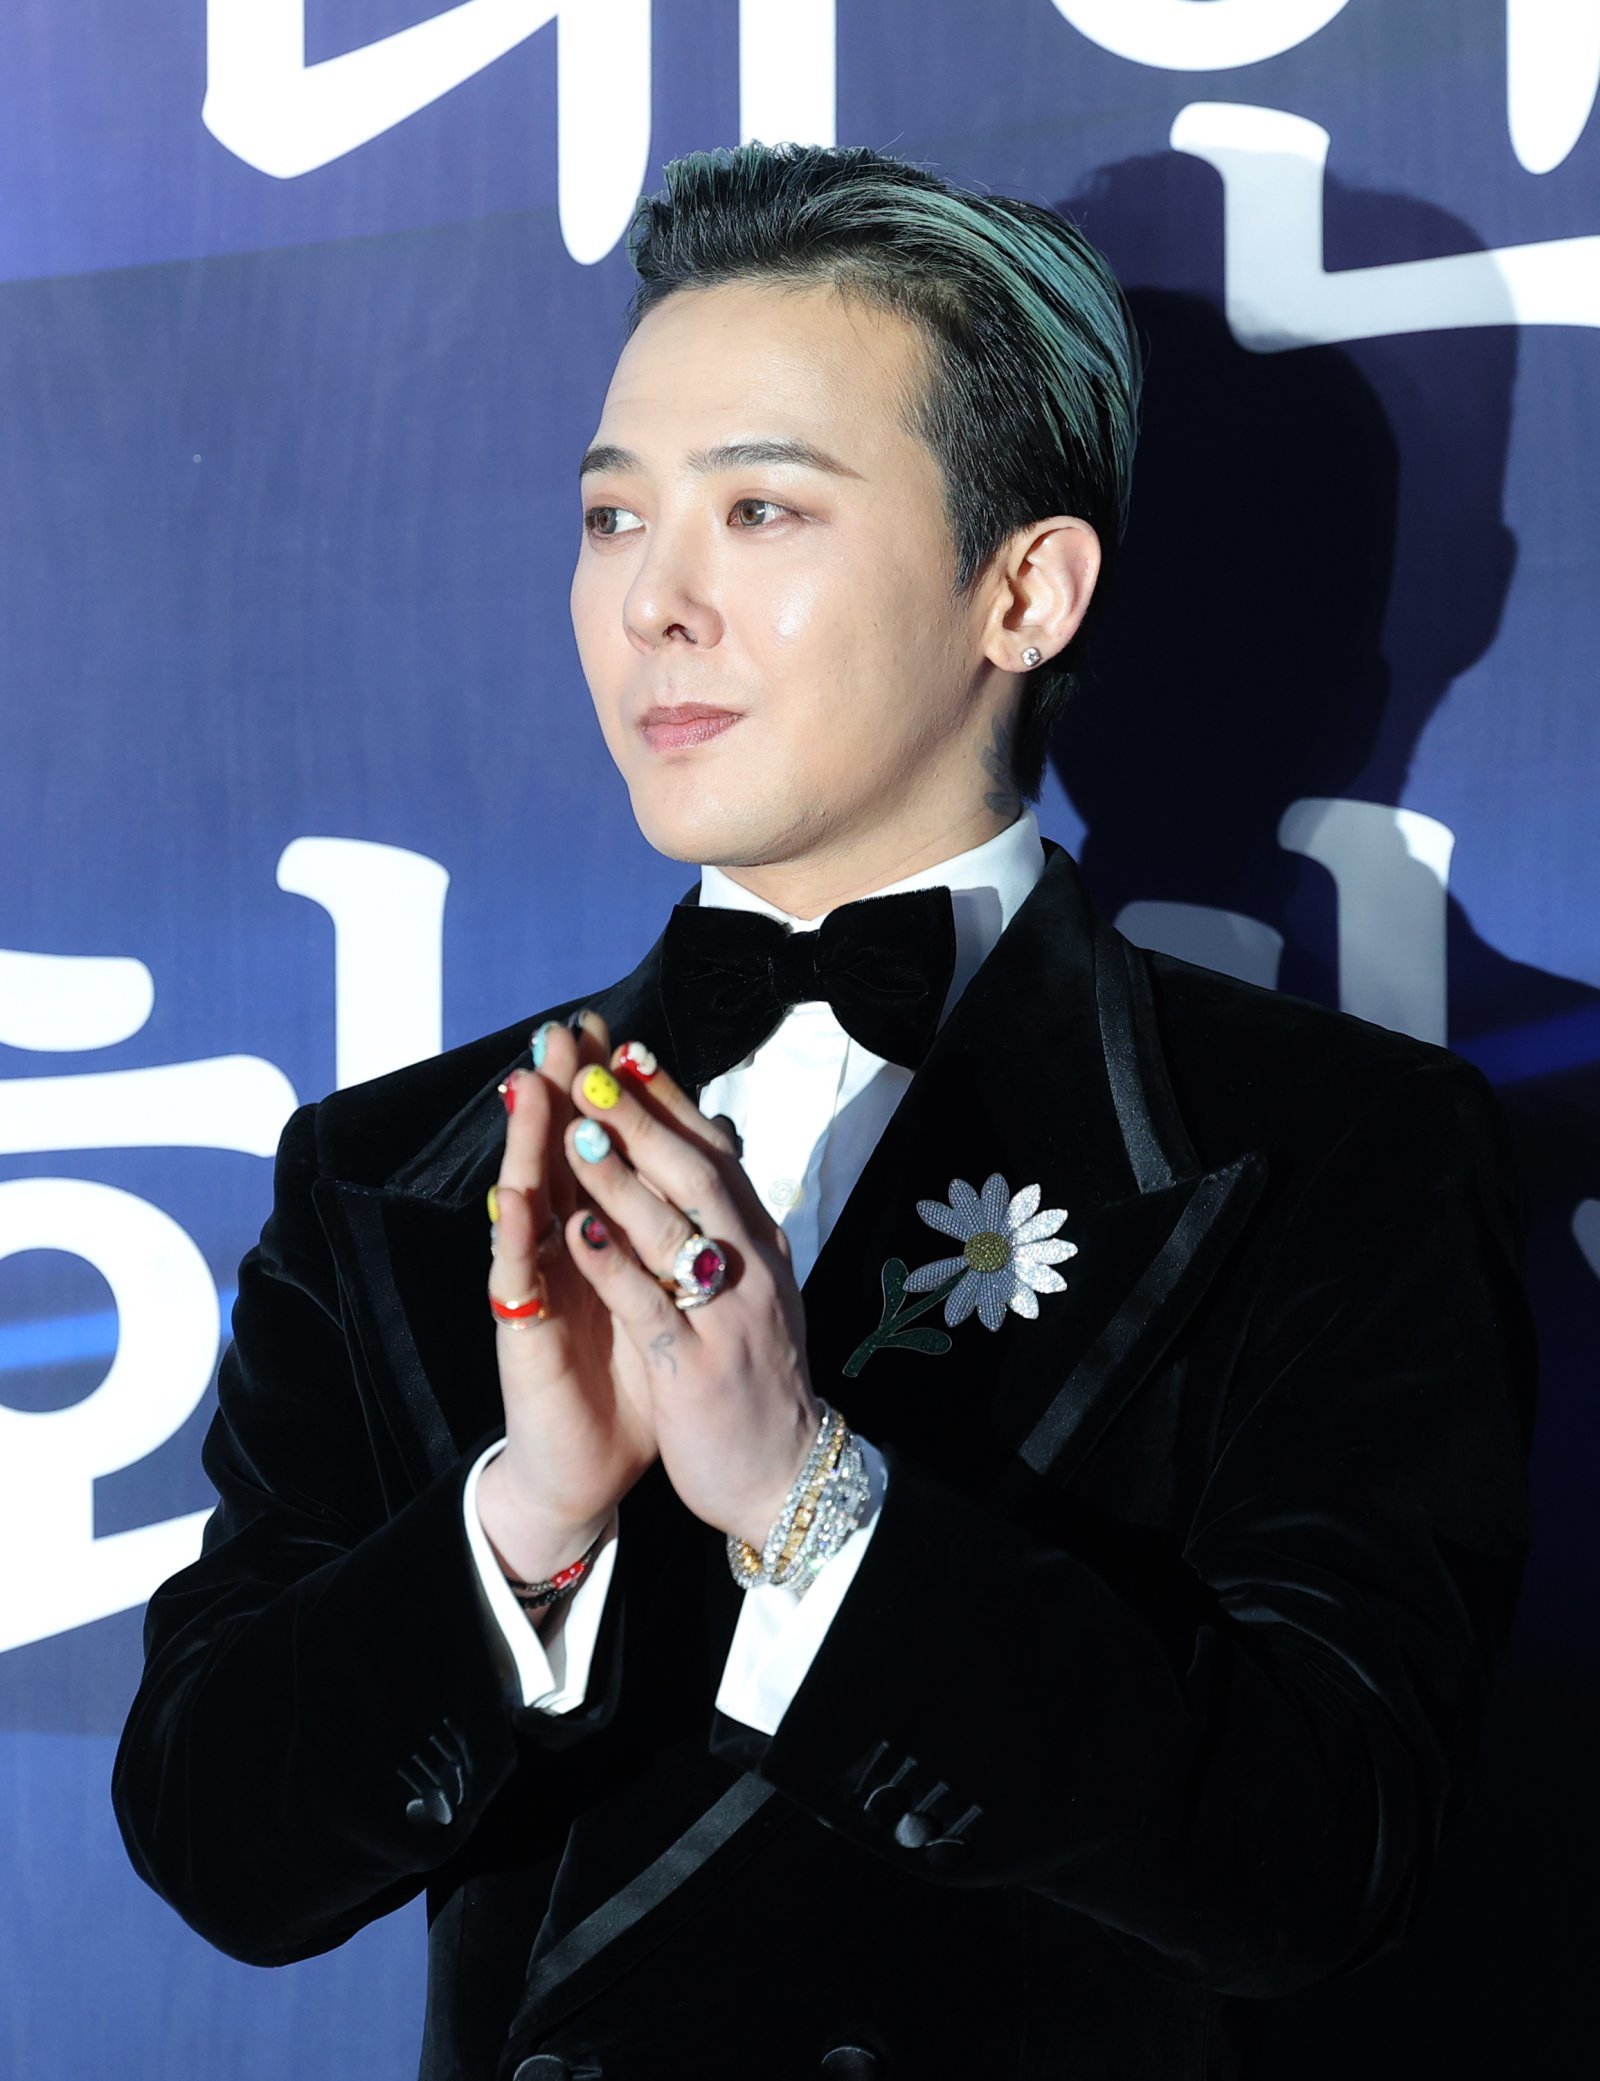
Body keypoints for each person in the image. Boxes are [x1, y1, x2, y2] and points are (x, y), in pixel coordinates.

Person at [112, 142, 1535, 2081]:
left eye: (761, 508)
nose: (654, 603)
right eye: (612, 518)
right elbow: (219, 1848)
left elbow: (1317, 1858)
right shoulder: (396, 1173)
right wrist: (526, 1518)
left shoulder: (1330, 1149)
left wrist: (807, 1498)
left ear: (1022, 590)